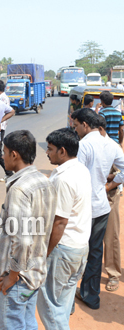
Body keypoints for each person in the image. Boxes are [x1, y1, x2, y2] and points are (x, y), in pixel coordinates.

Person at [0, 130, 57, 330]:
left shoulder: (19, 189)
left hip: (19, 279)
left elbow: (23, 240)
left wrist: (12, 276)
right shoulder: (44, 181)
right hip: (35, 271)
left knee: (13, 325)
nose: (2, 156)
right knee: (27, 321)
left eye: (4, 152)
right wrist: (3, 235)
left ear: (14, 155)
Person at [36, 128, 91, 329]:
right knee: (63, 303)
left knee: (51, 308)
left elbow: (59, 222)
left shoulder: (63, 179)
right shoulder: (81, 170)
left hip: (62, 250)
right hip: (79, 248)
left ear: (62, 151)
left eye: (50, 149)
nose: (47, 153)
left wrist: (44, 254)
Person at [70, 108, 124, 310]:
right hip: (101, 207)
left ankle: (69, 298)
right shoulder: (110, 144)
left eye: (76, 126)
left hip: (83, 208)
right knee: (94, 252)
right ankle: (90, 295)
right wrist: (110, 184)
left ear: (85, 125)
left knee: (74, 251)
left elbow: (77, 177)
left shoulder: (82, 145)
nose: (75, 130)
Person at [97, 117, 122, 292]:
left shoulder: (112, 148)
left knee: (111, 236)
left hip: (109, 195)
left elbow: (120, 173)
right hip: (93, 197)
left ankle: (113, 274)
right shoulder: (87, 145)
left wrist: (107, 183)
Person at [0, 80, 15, 182]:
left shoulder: (2, 99)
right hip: (0, 127)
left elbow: (6, 112)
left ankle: (9, 173)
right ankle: (9, 173)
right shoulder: (0, 98)